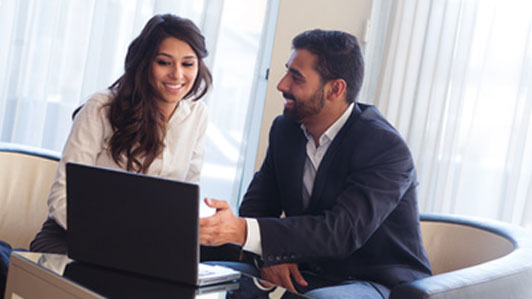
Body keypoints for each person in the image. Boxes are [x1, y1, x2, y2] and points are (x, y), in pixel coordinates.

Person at [199, 29, 432, 298]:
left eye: (296, 77)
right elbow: (259, 206)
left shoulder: (384, 147)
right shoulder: (285, 129)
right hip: (309, 272)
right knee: (214, 275)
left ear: (336, 89)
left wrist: (242, 230)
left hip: (374, 280)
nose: (282, 85)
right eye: (287, 71)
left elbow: (341, 232)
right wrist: (271, 257)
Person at [29, 14, 212, 253]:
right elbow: (62, 195)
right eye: (164, 62)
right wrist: (113, 241)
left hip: (142, 246)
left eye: (188, 64)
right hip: (73, 235)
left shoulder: (197, 115)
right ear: (145, 63)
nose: (177, 74)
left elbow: (186, 196)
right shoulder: (102, 107)